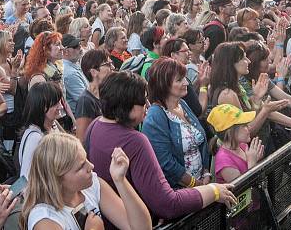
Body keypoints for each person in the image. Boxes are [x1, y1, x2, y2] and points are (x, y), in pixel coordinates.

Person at [84, 71, 236, 221]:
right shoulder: (135, 141)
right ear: (127, 106)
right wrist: (213, 191)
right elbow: (167, 204)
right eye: (143, 101)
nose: (148, 105)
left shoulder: (95, 125)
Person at [23, 132, 151, 230]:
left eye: (86, 159)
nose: (91, 166)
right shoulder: (45, 219)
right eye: (80, 166)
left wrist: (120, 180)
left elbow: (142, 227)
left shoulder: (90, 185)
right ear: (57, 179)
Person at [141, 58, 210, 189]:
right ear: (163, 85)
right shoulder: (156, 116)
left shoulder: (182, 104)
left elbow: (201, 142)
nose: (185, 82)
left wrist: (206, 173)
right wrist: (195, 184)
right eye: (179, 80)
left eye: (184, 78)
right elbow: (165, 163)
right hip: (179, 191)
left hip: (201, 184)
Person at [206, 104, 264, 184]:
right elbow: (244, 189)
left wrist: (255, 158)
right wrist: (252, 164)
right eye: (244, 126)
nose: (249, 128)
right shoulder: (224, 162)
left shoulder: (241, 145)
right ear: (230, 133)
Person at [18, 82, 65, 180]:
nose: (61, 107)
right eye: (56, 104)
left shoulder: (53, 125)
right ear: (42, 106)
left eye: (60, 102)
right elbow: (26, 177)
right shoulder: (35, 138)